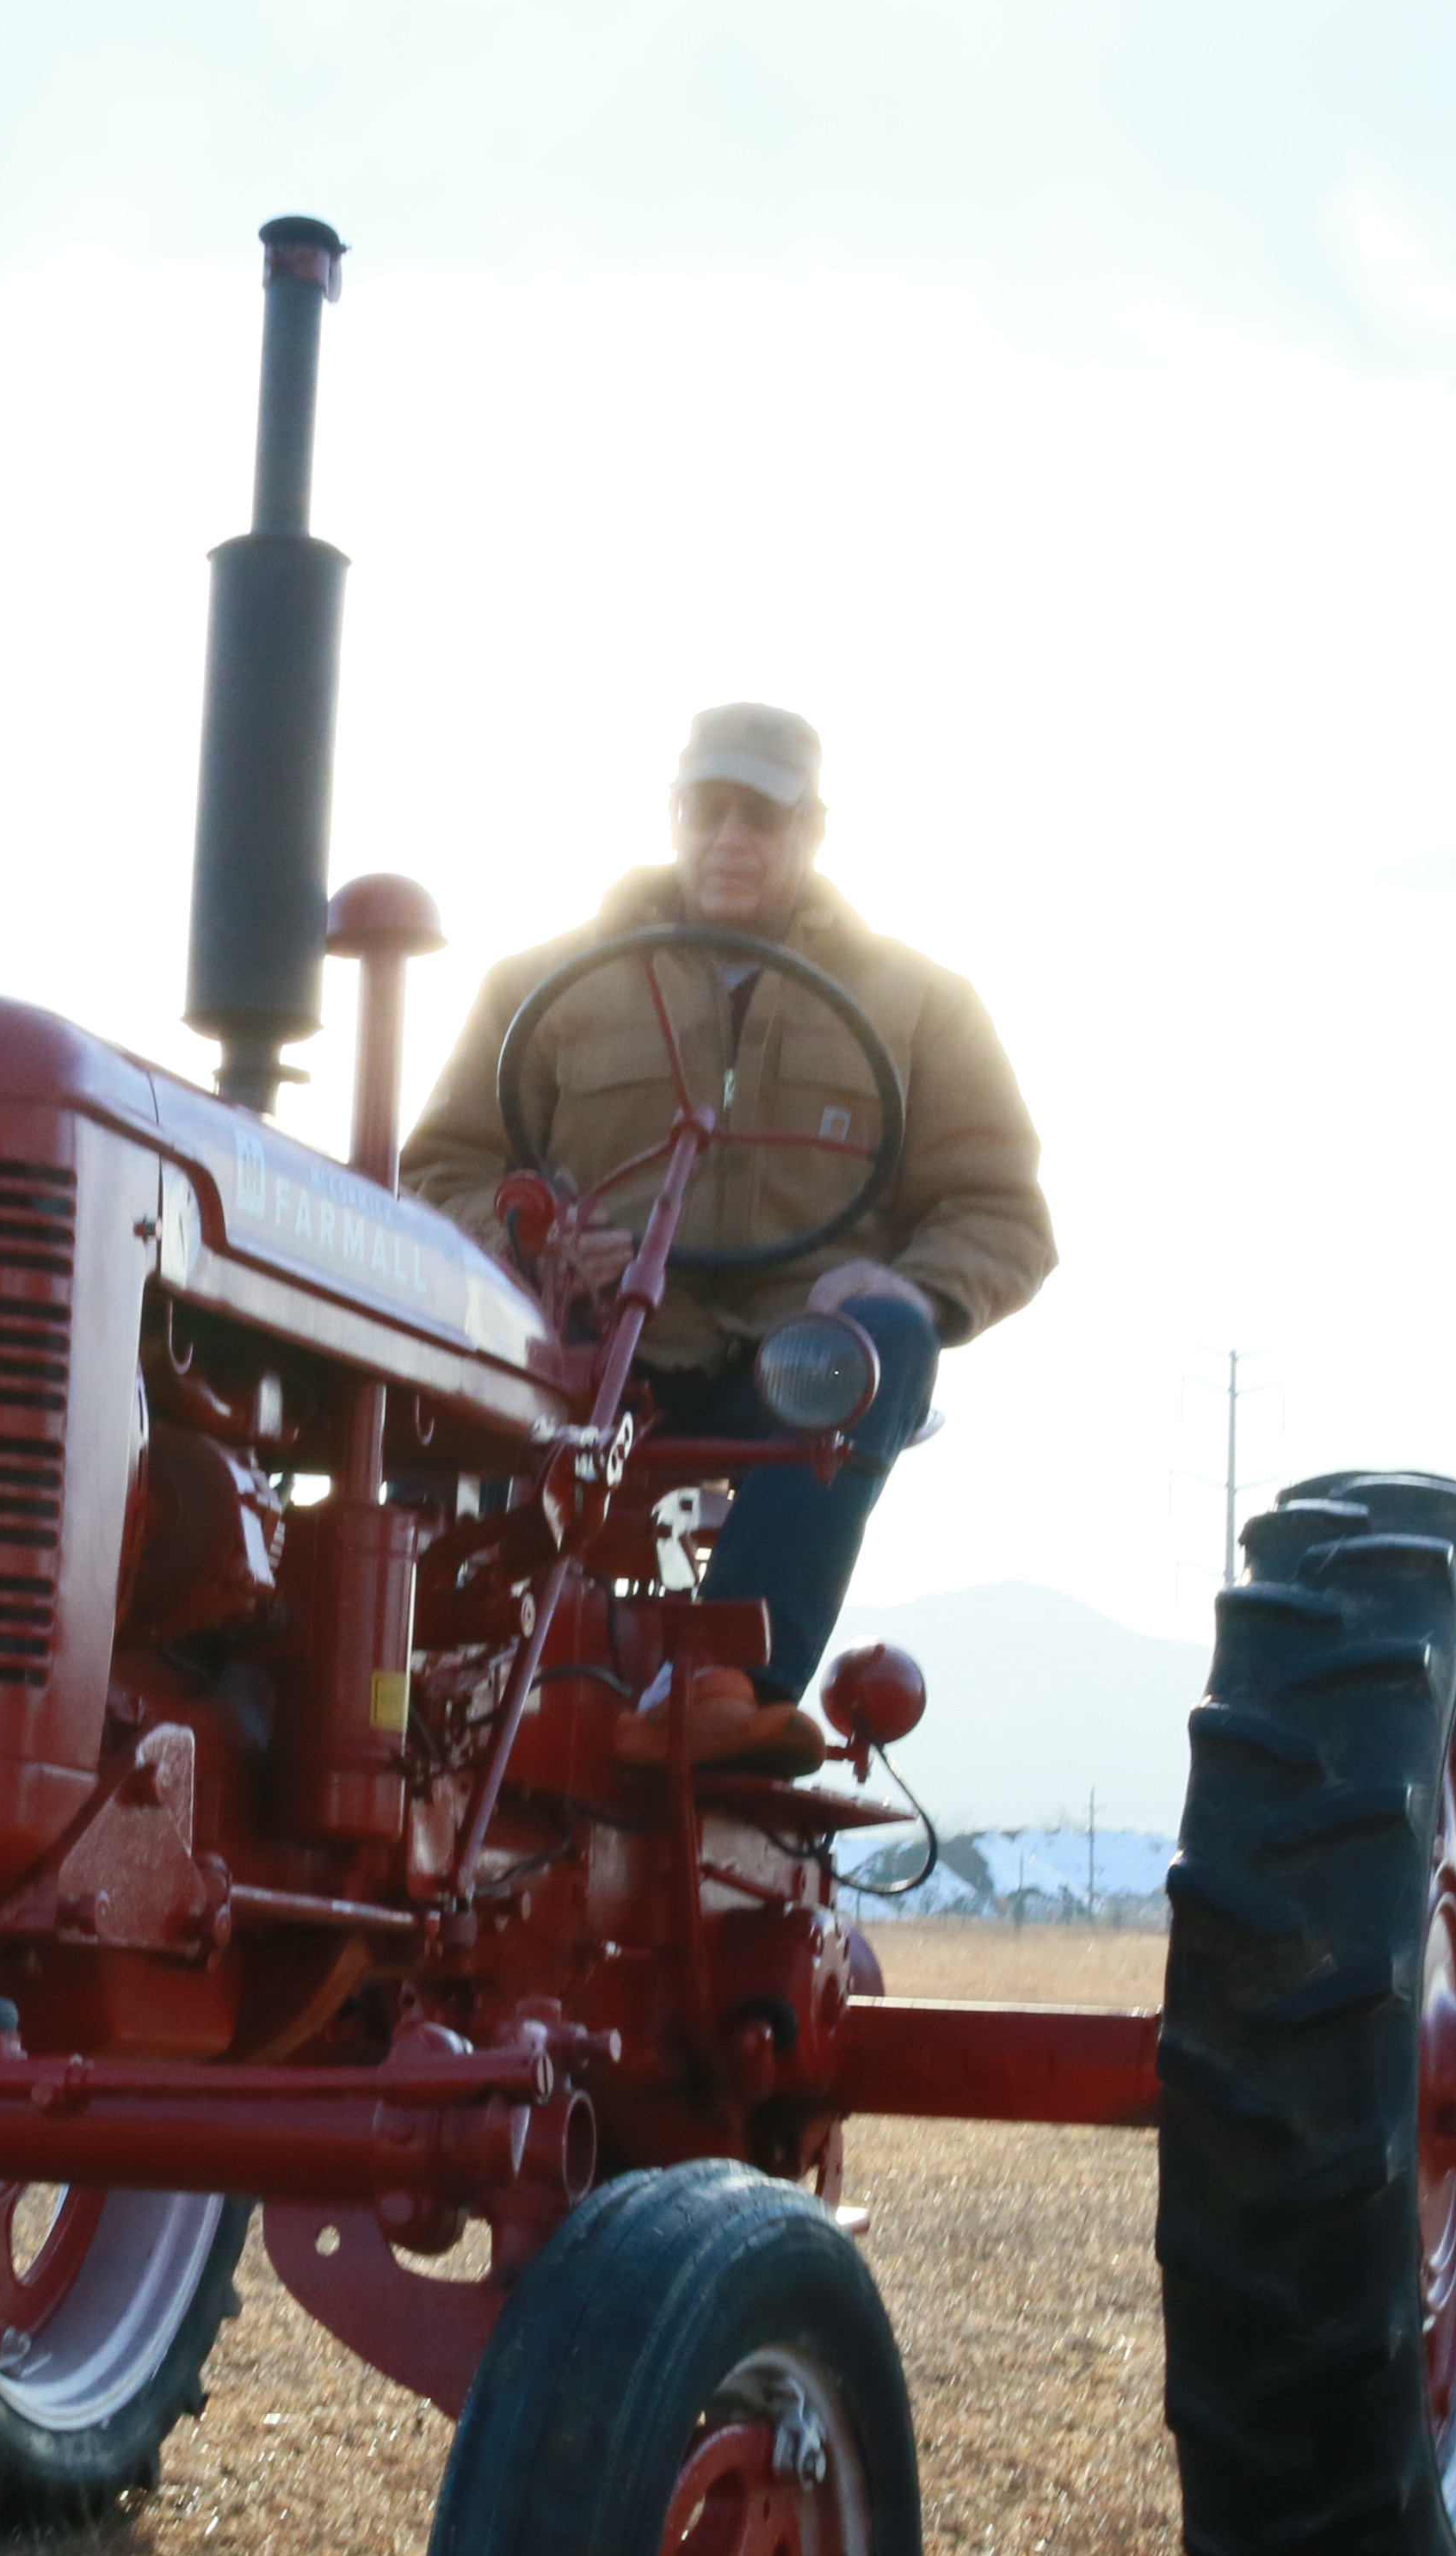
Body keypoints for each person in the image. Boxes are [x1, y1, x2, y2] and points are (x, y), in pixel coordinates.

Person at [402, 702, 1055, 1770]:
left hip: (787, 1357)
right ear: (674, 815)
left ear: (813, 831)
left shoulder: (922, 1004)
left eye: (763, 815)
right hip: (585, 1346)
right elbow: (439, 1168)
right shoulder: (541, 987)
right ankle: (411, 1663)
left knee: (881, 1339)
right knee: (414, 1343)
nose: (731, 839)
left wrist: (900, 1283)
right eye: (709, 810)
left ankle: (720, 1684)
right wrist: (535, 1238)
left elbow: (1001, 1213)